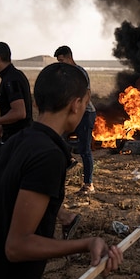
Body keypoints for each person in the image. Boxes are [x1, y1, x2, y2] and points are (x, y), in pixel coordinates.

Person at [0, 63, 124, 279]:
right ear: (76, 105)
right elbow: (17, 246)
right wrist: (87, 243)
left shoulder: (12, 143)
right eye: (85, 103)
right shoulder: (48, 156)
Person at [0, 42, 81, 239]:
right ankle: (66, 217)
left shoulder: (11, 80)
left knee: (4, 182)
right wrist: (1, 127)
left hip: (18, 141)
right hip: (17, 138)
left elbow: (20, 112)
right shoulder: (12, 77)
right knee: (22, 185)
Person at [54, 45, 97, 195]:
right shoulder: (65, 74)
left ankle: (88, 184)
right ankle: (70, 160)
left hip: (85, 114)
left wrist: (78, 111)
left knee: (85, 150)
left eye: (62, 60)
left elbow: (87, 95)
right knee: (58, 138)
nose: (60, 63)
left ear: (69, 57)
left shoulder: (79, 73)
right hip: (72, 114)